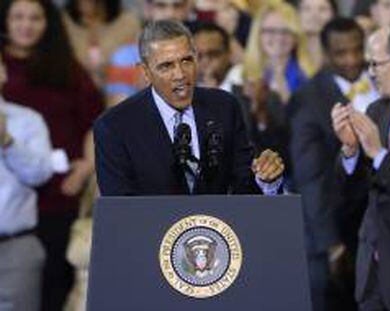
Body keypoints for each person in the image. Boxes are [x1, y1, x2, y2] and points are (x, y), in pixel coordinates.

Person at [94, 20, 285, 196]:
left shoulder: (224, 107)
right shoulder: (115, 126)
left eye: (186, 60)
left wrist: (266, 179)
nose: (180, 74)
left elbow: (244, 188)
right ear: (146, 72)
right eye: (166, 66)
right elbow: (120, 209)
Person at [0, 1, 104, 310]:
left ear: (49, 23)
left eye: (35, 17)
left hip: (59, 189)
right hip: (11, 192)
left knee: (52, 283)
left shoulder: (67, 68)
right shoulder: (1, 67)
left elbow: (95, 122)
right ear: (5, 21)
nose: (26, 25)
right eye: (18, 17)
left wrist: (86, 167)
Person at [289, 18, 379, 311]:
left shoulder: (385, 84)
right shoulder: (308, 99)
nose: (352, 60)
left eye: (357, 50)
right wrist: (331, 243)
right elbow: (310, 176)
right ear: (326, 53)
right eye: (341, 53)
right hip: (342, 230)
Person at [331, 24, 390, 311]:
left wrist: (378, 153)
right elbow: (352, 197)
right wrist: (350, 150)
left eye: (376, 63)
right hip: (373, 274)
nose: (371, 72)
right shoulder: (377, 112)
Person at [0, 58, 53, 311]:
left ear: (3, 72)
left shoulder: (28, 120)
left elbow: (40, 174)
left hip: (15, 247)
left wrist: (8, 141)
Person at [63, 0, 141, 87]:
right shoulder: (63, 22)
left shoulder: (128, 23)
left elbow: (139, 71)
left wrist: (109, 71)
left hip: (117, 93)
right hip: (76, 92)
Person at [194, 22, 233, 91]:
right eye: (199, 55)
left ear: (228, 54)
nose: (205, 61)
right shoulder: (181, 96)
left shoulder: (245, 92)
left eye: (213, 54)